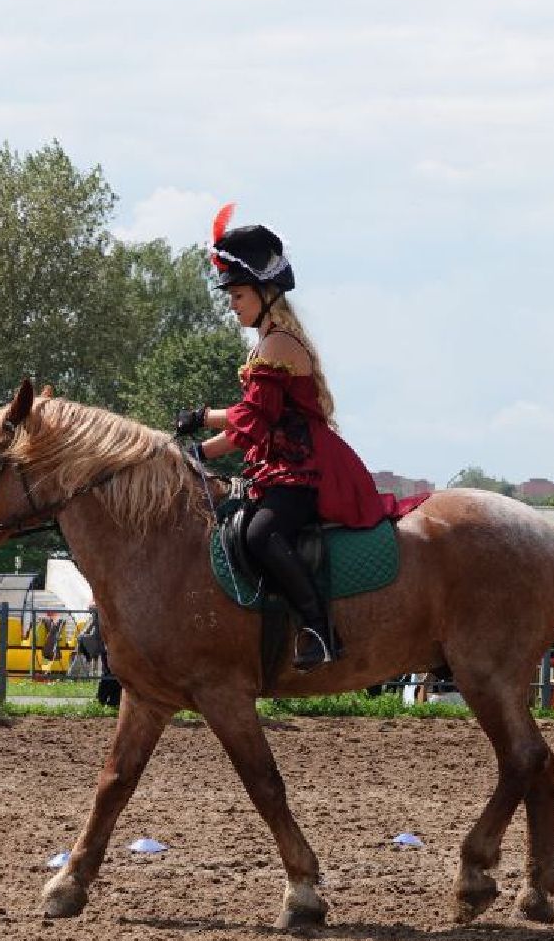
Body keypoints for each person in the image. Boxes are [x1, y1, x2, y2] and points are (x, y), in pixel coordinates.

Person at [173, 209, 407, 672]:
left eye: (237, 294)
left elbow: (252, 423)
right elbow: (251, 419)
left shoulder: (278, 344)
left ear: (264, 293)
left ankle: (320, 630)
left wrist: (201, 441)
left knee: (262, 533)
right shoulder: (267, 342)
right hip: (282, 465)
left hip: (308, 471)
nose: (232, 304)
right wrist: (203, 429)